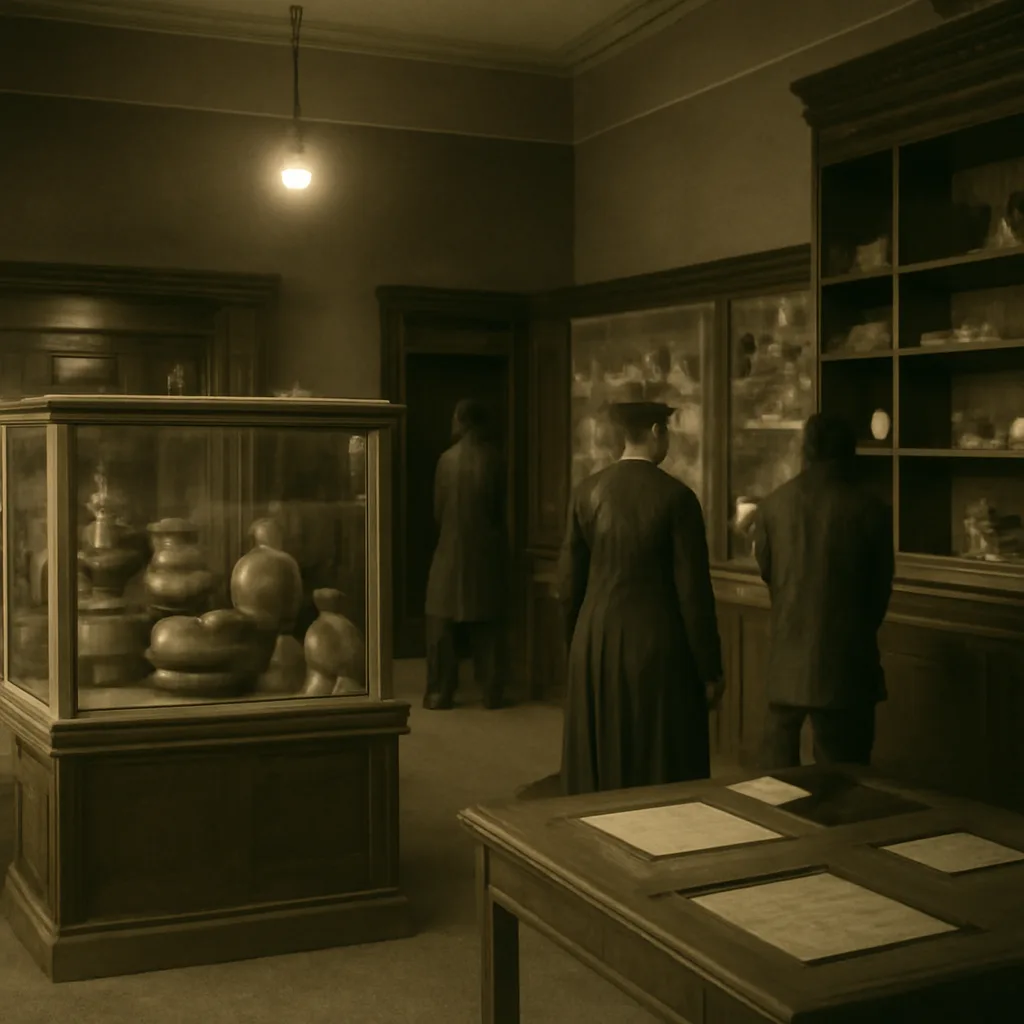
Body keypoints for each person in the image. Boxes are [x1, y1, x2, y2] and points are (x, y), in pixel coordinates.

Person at [556, 399, 725, 796]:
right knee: (659, 755)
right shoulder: (677, 498)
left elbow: (568, 586)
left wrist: (576, 646)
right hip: (658, 643)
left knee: (601, 755)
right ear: (655, 432)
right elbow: (694, 593)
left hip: (594, 637)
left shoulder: (587, 492)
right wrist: (709, 668)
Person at [752, 412, 894, 768]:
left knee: (774, 783)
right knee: (843, 780)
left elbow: (769, 574)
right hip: (847, 661)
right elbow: (879, 591)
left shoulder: (773, 505)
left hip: (787, 657)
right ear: (851, 451)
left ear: (807, 449)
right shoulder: (871, 509)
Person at [423, 398, 506, 710]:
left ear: (461, 420)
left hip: (449, 548)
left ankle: (440, 691)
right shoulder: (495, 459)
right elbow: (500, 510)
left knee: (440, 624)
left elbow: (438, 509)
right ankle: (492, 691)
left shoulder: (446, 461)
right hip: (485, 551)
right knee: (488, 625)